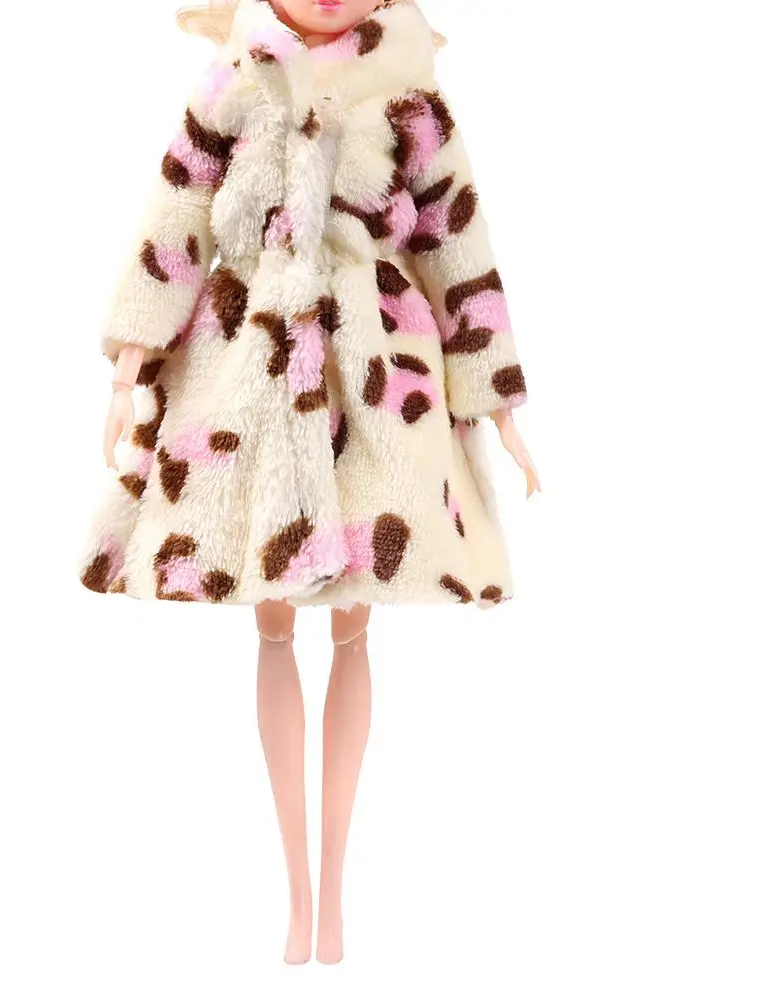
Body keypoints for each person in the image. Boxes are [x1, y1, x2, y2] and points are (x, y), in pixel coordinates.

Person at [80, 0, 539, 963]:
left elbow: (459, 246)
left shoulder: (411, 95)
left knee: (355, 632)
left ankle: (334, 899)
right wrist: (130, 364)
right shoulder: (233, 81)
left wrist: (495, 398)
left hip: (376, 387)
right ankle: (300, 896)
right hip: (249, 378)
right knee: (275, 628)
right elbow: (175, 218)